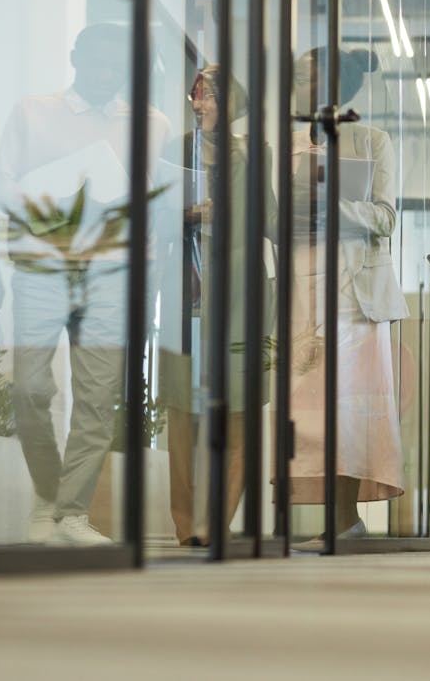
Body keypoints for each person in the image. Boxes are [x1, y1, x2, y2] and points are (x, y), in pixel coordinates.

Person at [0, 23, 171, 546]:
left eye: (119, 63)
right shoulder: (33, 111)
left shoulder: (150, 123)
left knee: (96, 399)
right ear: (76, 56)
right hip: (45, 266)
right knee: (29, 388)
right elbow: (1, 181)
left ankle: (71, 514)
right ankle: (50, 495)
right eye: (99, 59)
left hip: (114, 273)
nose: (108, 71)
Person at [281, 47, 408, 546]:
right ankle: (333, 524)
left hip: (355, 294)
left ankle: (346, 520)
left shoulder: (373, 141)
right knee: (306, 410)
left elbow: (385, 218)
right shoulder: (287, 145)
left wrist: (331, 206)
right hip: (298, 285)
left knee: (349, 409)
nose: (297, 86)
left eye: (305, 78)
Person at [157, 65, 272, 547]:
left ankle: (218, 523)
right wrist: (189, 214)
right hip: (187, 285)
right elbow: (152, 212)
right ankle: (185, 525)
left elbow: (269, 218)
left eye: (212, 96)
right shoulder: (174, 149)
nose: (201, 104)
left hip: (243, 287)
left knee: (241, 408)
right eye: (196, 95)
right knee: (183, 410)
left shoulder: (255, 152)